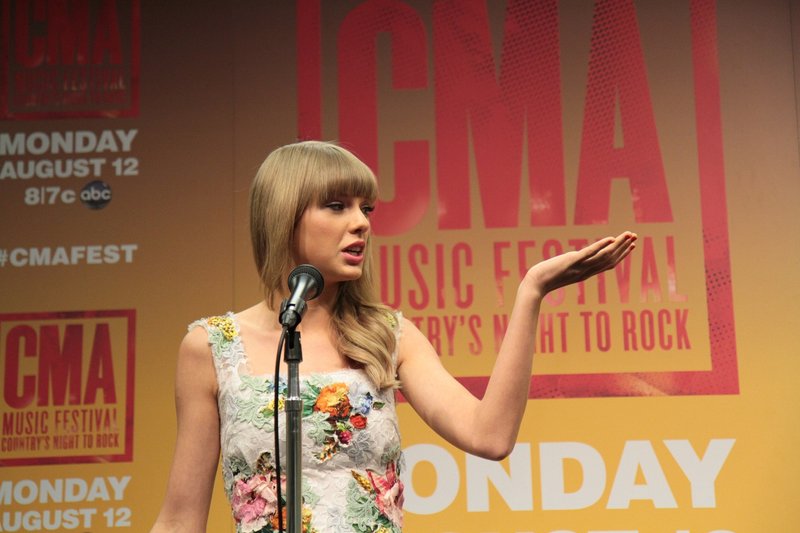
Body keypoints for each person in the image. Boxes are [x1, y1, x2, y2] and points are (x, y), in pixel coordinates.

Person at [150, 140, 637, 533]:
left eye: (367, 208)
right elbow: (180, 519)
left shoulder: (387, 335)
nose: (361, 222)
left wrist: (532, 292)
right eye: (337, 206)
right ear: (283, 216)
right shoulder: (212, 347)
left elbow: (490, 436)